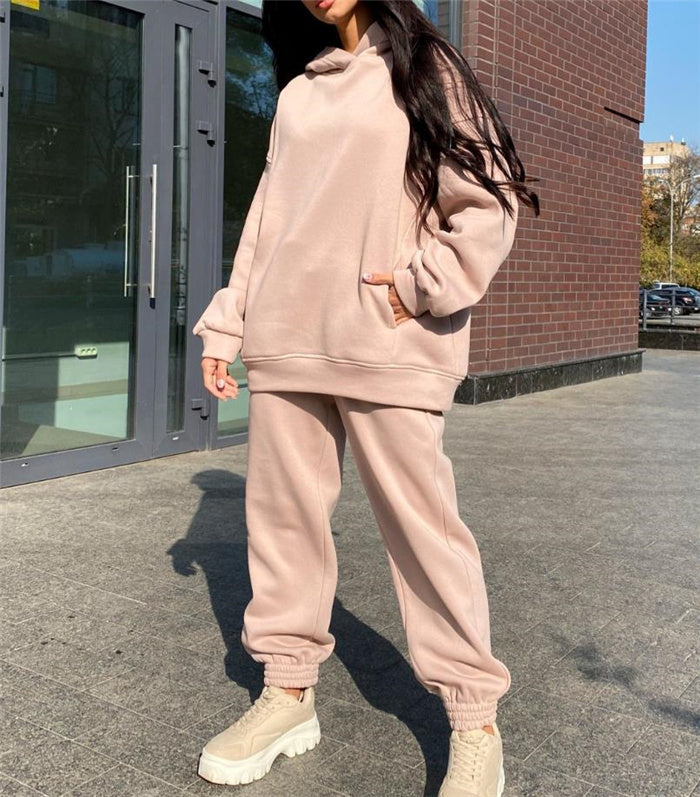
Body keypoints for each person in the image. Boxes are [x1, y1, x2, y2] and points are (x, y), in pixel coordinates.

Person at [192, 1, 539, 795]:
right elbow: (266, 222)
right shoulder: (296, 95)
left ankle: (475, 721)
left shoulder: (429, 69)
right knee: (282, 526)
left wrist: (419, 289)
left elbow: (487, 202)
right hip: (288, 337)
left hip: (388, 343)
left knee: (424, 533)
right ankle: (287, 692)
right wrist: (229, 322)